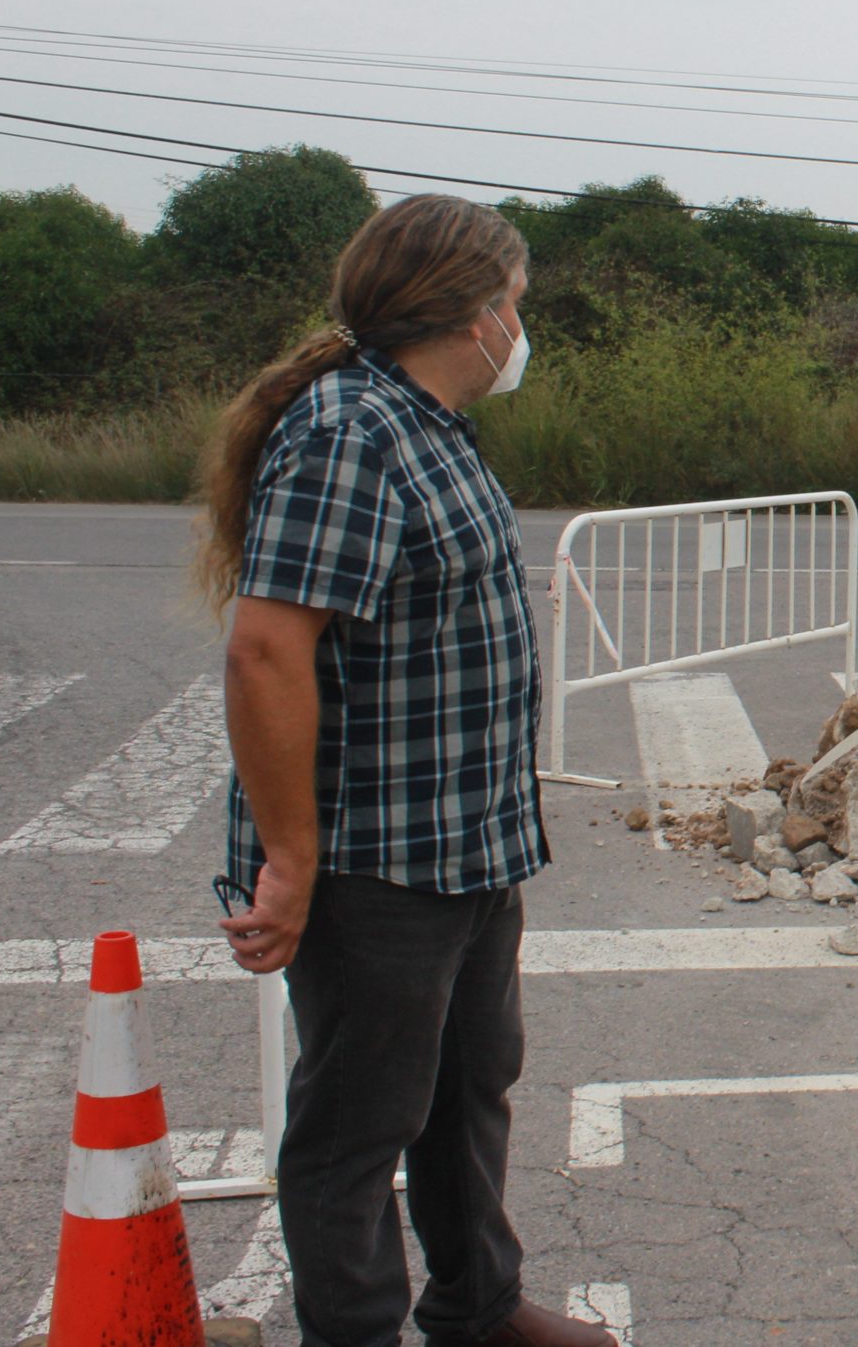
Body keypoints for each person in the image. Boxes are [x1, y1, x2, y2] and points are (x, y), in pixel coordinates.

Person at [198, 195, 611, 1347]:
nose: (521, 330)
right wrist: (289, 858)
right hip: (377, 857)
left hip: (465, 842)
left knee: (468, 1087)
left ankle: (476, 1308)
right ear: (472, 315)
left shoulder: (425, 423)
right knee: (356, 1127)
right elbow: (269, 647)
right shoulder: (350, 433)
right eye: (516, 306)